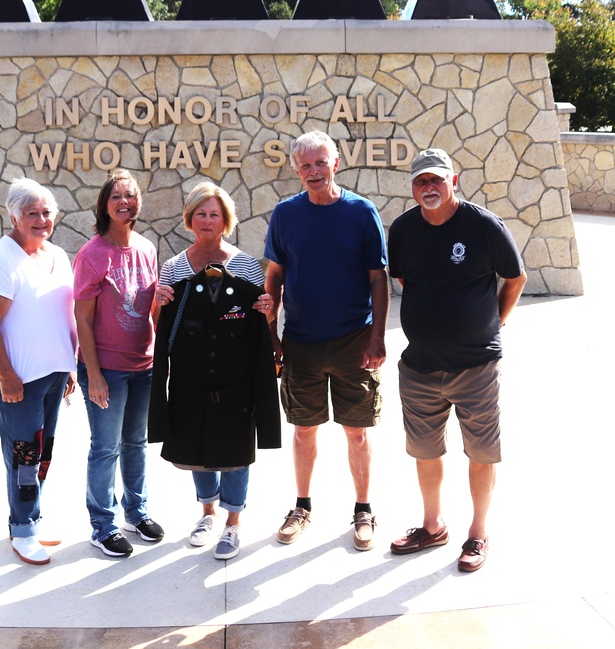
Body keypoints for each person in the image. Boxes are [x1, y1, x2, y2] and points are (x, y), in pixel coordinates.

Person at [387, 148, 527, 572]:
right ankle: (432, 527)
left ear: (455, 180)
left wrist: (493, 324)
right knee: (425, 451)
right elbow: (405, 279)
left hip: (476, 367)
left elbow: (515, 277)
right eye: (421, 182)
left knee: (481, 452)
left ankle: (478, 534)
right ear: (413, 188)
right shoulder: (404, 229)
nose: (429, 188)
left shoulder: (483, 226)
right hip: (419, 366)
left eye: (436, 180)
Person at [264, 130, 389, 552]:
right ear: (296, 170)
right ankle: (301, 507)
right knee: (304, 430)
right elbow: (275, 275)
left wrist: (377, 338)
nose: (313, 171)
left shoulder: (360, 211)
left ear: (336, 163)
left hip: (355, 340)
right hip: (301, 341)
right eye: (305, 165)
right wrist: (273, 335)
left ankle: (363, 510)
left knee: (357, 431)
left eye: (321, 163)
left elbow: (378, 278)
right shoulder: (285, 214)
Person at [149, 182, 279, 561]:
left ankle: (233, 522)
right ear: (191, 219)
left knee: (235, 449)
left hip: (235, 376)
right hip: (190, 377)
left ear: (226, 220)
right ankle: (206, 513)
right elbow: (161, 328)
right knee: (197, 445)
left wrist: (269, 310)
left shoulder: (243, 265)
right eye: (201, 214)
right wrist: (158, 304)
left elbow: (259, 320)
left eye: (215, 214)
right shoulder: (172, 267)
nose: (208, 221)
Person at [0, 177, 78, 566]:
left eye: (46, 212)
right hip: (17, 382)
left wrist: (68, 366)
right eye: (32, 212)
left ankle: (30, 519)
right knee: (23, 457)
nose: (41, 219)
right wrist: (7, 376)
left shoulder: (58, 256)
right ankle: (22, 530)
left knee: (42, 453)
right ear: (14, 216)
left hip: (52, 375)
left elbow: (63, 315)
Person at [73, 169, 164, 558]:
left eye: (131, 195)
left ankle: (136, 512)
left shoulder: (146, 248)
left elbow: (152, 307)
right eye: (116, 197)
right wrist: (93, 375)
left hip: (142, 365)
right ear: (104, 206)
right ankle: (102, 525)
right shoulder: (92, 255)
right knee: (105, 447)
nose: (125, 202)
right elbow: (84, 319)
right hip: (105, 368)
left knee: (135, 444)